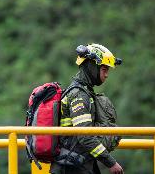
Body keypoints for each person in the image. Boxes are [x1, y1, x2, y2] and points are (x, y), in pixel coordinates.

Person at [50, 43, 123, 174]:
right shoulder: (79, 95)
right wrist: (111, 163)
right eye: (104, 69)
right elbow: (85, 136)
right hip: (72, 167)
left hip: (77, 163)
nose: (106, 75)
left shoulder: (84, 92)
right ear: (92, 67)